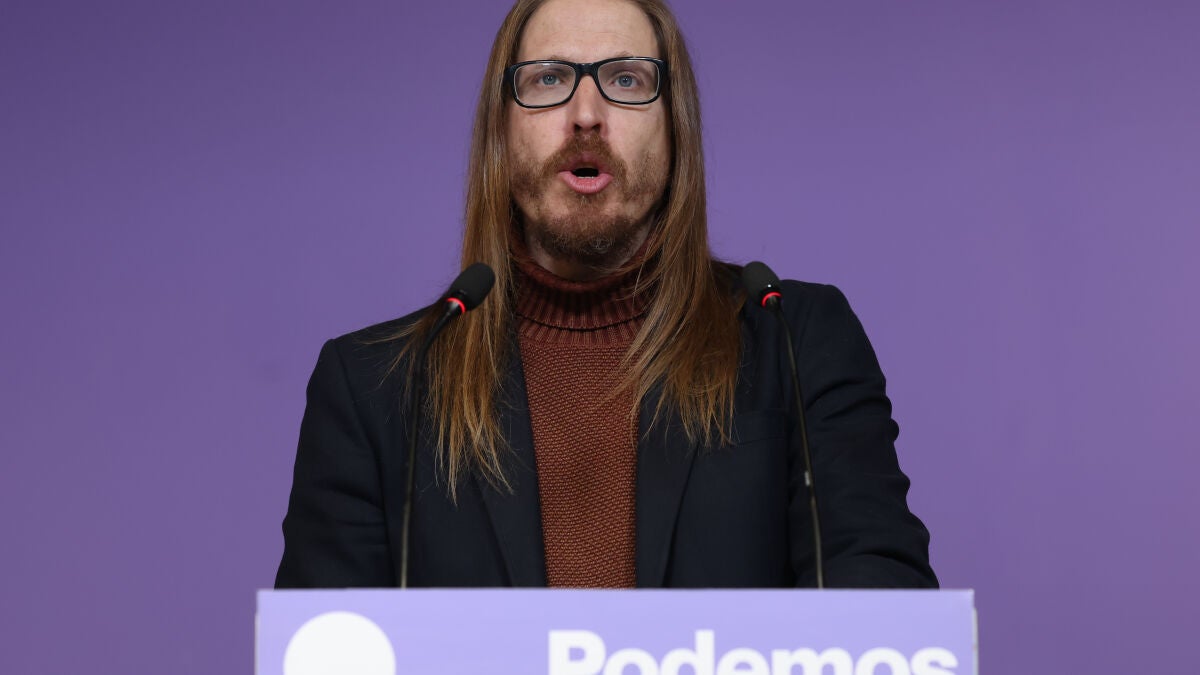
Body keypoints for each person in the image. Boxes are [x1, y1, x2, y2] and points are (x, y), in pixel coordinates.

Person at [275, 0, 937, 589]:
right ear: (501, 130)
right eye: (548, 79)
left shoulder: (795, 341)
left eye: (626, 80)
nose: (586, 116)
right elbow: (326, 648)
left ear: (675, 128)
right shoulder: (374, 387)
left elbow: (882, 608)